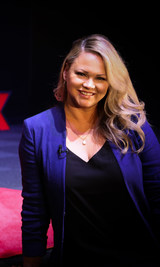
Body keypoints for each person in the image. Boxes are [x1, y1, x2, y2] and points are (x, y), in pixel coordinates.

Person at [18, 34, 160, 267]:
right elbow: (35, 209)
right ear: (66, 71)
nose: (89, 85)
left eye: (100, 78)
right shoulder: (36, 129)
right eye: (82, 74)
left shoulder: (134, 126)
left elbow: (157, 193)